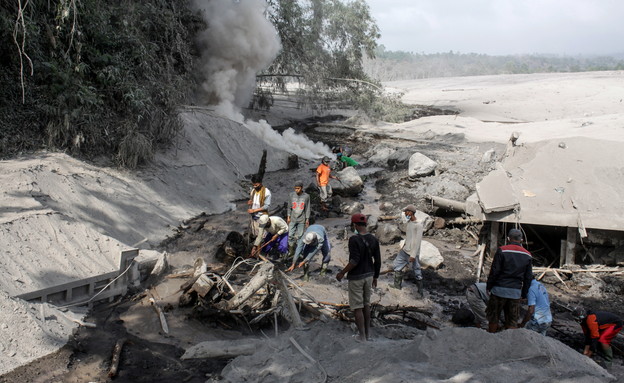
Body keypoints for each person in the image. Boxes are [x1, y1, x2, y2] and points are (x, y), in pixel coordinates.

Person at [336, 214, 381, 342]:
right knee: (366, 304)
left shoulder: (354, 239)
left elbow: (354, 260)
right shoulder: (373, 239)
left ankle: (361, 337)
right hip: (369, 275)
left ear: (354, 225)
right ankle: (368, 335)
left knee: (357, 307)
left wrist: (342, 273)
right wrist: (376, 277)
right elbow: (378, 260)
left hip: (357, 277)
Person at [485, 228, 533, 333]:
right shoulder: (527, 255)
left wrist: (489, 286)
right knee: (512, 321)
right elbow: (528, 277)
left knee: (493, 318)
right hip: (515, 293)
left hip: (498, 290)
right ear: (522, 240)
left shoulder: (502, 250)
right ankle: (510, 344)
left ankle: (491, 339)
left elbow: (495, 271)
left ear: (508, 238)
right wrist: (524, 294)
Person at [390, 205, 424, 297]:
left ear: (411, 213)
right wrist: (403, 246)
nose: (405, 214)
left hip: (413, 252)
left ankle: (420, 292)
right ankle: (397, 286)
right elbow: (408, 237)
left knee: (417, 271)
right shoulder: (409, 222)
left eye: (407, 212)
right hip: (405, 250)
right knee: (397, 266)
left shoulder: (419, 225)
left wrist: (413, 255)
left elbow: (417, 242)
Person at [286, 180, 310, 260]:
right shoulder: (291, 195)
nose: (297, 190)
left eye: (298, 188)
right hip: (293, 218)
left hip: (301, 219)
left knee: (300, 236)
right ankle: (291, 251)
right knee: (290, 235)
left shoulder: (306, 196)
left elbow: (307, 208)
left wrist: (307, 219)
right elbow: (289, 206)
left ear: (302, 188)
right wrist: (288, 216)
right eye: (295, 188)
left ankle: (299, 252)